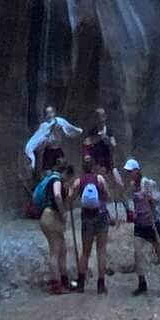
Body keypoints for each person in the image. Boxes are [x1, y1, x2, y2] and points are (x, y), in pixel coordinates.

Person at [127, 164, 160, 293]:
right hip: (140, 225)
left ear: (137, 171)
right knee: (137, 253)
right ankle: (142, 282)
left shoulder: (147, 183)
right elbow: (136, 204)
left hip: (152, 223)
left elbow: (157, 200)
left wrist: (150, 199)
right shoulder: (133, 186)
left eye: (131, 171)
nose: (129, 174)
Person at [72, 154, 113, 293]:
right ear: (94, 166)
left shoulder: (79, 181)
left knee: (85, 252)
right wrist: (103, 203)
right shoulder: (99, 179)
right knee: (101, 250)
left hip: (87, 218)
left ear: (82, 167)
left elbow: (71, 197)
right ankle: (101, 285)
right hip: (101, 216)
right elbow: (107, 195)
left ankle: (81, 284)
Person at [33, 161, 71, 291]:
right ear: (65, 173)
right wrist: (63, 212)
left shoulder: (50, 179)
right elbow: (57, 195)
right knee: (55, 251)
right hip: (51, 216)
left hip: (48, 216)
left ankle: (64, 279)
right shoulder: (56, 180)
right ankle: (57, 283)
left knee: (63, 249)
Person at [24, 106, 81, 177]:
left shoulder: (60, 121)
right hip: (48, 152)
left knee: (61, 169)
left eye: (51, 112)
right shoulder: (44, 126)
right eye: (47, 113)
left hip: (57, 151)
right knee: (47, 173)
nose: (49, 115)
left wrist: (75, 132)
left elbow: (69, 128)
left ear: (54, 113)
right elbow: (36, 139)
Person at [86, 109, 124, 213]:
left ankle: (128, 210)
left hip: (109, 162)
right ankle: (103, 211)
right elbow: (87, 143)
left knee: (119, 184)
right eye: (98, 117)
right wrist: (99, 138)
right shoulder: (92, 131)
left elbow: (114, 144)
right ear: (95, 119)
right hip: (97, 163)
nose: (100, 119)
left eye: (102, 116)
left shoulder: (109, 130)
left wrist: (107, 140)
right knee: (100, 187)